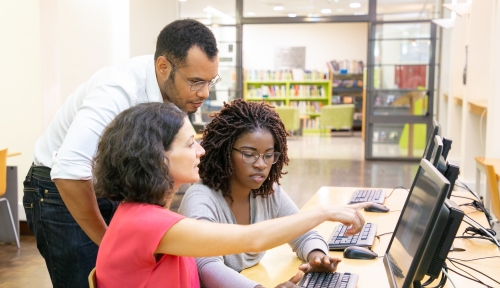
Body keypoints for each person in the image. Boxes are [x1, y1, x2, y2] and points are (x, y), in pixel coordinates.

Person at [22, 19, 221, 288]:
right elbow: (68, 169)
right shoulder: (118, 89)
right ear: (163, 66)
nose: (204, 93)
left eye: (210, 81)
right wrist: (111, 245)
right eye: (196, 82)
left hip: (107, 185)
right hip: (59, 189)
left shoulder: (174, 90)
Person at [93, 102, 369, 288]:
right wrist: (323, 212)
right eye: (191, 144)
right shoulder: (148, 223)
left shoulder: (140, 215)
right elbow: (252, 237)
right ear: (158, 157)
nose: (201, 151)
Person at [178, 99, 343, 288]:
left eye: (268, 155)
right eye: (249, 154)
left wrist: (317, 257)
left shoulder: (267, 191)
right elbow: (206, 266)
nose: (261, 164)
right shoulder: (201, 198)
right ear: (224, 152)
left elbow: (303, 234)